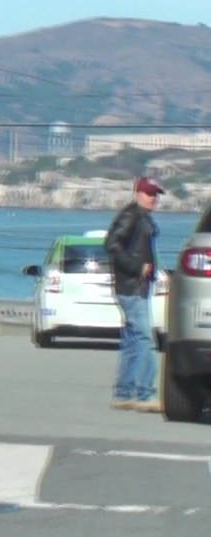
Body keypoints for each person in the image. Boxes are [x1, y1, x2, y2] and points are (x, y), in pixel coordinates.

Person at [103, 176, 165, 412]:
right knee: (145, 340)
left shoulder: (142, 217)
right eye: (149, 193)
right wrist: (136, 267)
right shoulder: (131, 215)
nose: (153, 198)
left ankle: (123, 393)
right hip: (131, 287)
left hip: (136, 287)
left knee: (131, 341)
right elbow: (112, 244)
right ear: (137, 193)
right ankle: (145, 393)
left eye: (155, 194)